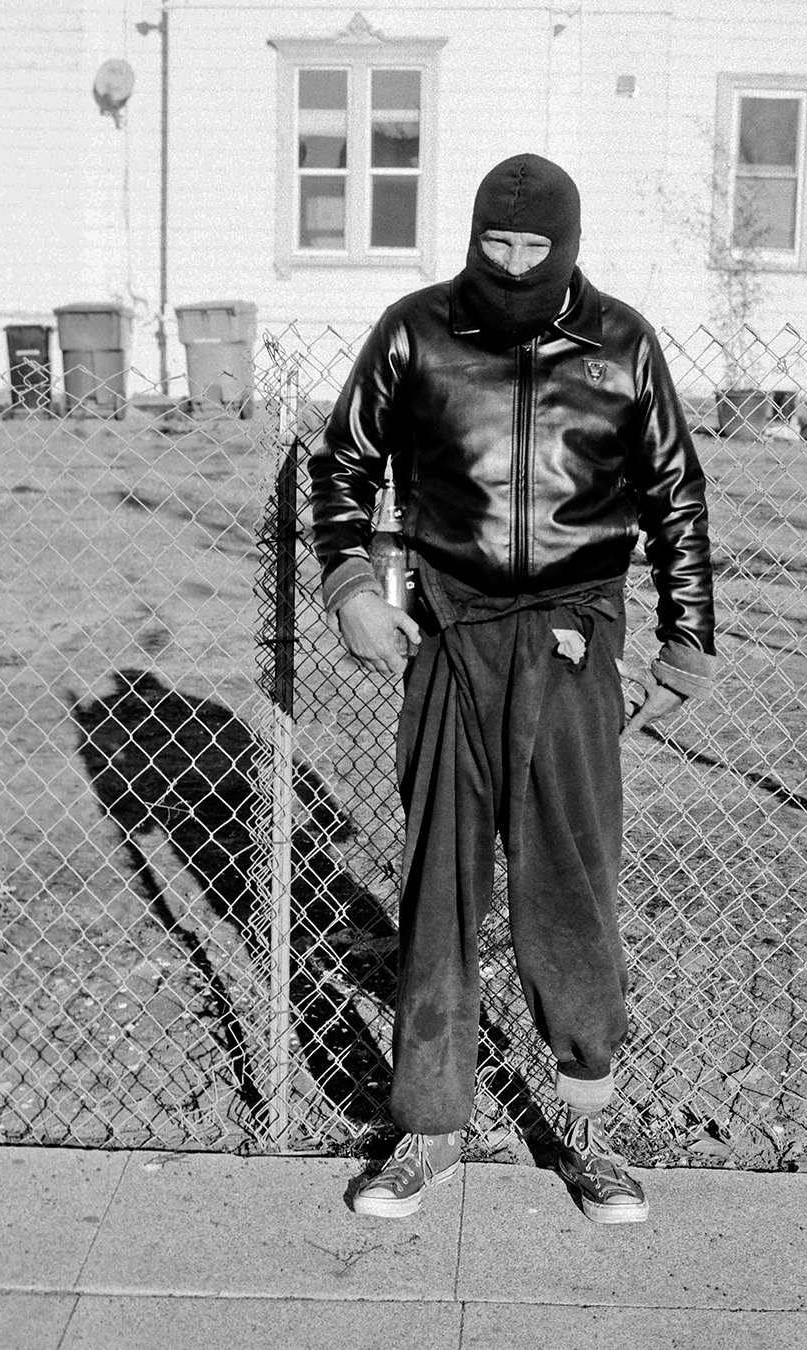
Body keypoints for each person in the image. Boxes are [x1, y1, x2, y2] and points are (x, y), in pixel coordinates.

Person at [308, 152, 716, 1224]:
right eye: (500, 242)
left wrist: (685, 647)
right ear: (474, 235)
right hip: (450, 631)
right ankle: (429, 1127)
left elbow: (675, 496)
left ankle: (589, 1124)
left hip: (574, 637)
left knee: (569, 889)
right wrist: (350, 584)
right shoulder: (417, 330)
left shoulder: (621, 344)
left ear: (568, 244)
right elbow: (343, 464)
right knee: (440, 884)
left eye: (538, 246)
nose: (518, 263)